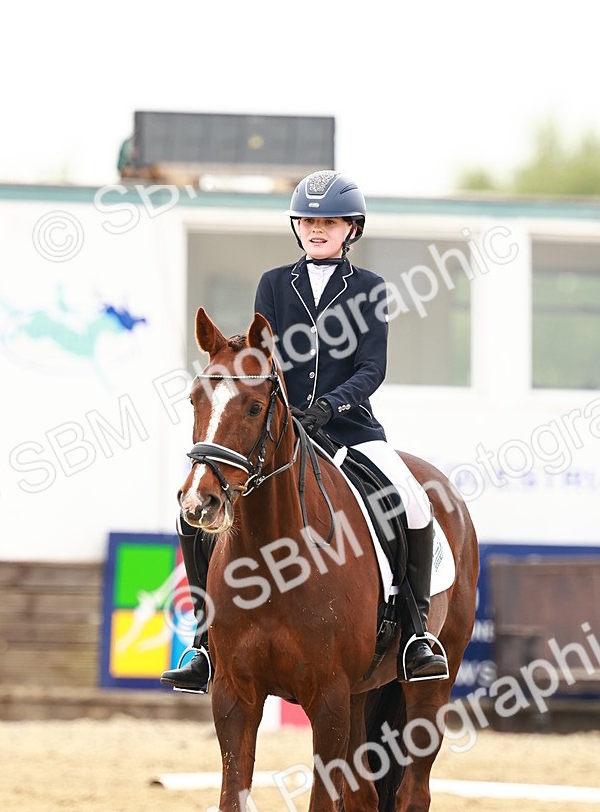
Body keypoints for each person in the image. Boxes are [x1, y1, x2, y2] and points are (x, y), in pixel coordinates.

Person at [161, 170, 448, 693]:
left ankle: (415, 634)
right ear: (297, 226)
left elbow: (371, 368)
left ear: (350, 229)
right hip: (279, 431)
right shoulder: (274, 283)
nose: (318, 229)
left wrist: (330, 406)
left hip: (352, 429)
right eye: (309, 220)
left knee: (413, 503)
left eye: (330, 221)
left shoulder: (370, 289)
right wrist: (282, 409)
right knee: (195, 508)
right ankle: (205, 644)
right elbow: (259, 357)